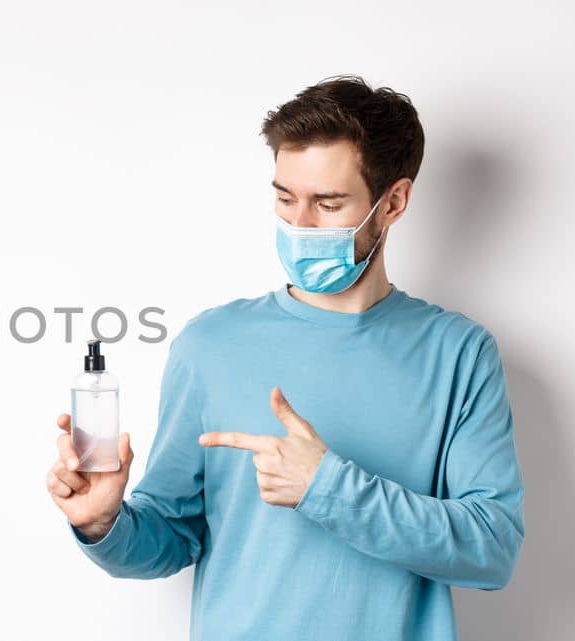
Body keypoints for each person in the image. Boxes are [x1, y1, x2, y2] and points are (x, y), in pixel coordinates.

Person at [44, 75, 525, 641]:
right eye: (284, 197)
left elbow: (492, 550)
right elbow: (170, 535)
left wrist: (328, 487)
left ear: (392, 202)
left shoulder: (459, 354)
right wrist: (105, 524)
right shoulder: (211, 345)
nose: (299, 225)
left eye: (328, 203)